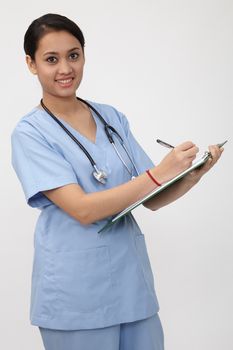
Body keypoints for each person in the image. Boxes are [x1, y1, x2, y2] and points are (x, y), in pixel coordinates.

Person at [11, 13, 224, 350]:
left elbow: (151, 196)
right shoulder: (30, 133)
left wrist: (192, 174)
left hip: (131, 287)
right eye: (51, 59)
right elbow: (81, 209)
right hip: (75, 294)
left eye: (73, 55)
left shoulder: (110, 117)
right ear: (31, 64)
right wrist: (160, 173)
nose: (65, 68)